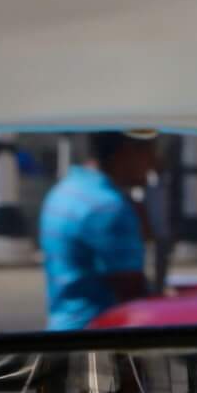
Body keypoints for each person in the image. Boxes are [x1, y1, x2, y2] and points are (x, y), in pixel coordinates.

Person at [40, 131, 159, 330]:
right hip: (97, 342)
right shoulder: (109, 206)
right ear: (127, 152)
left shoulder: (62, 191)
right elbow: (133, 297)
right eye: (150, 153)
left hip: (60, 332)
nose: (155, 163)